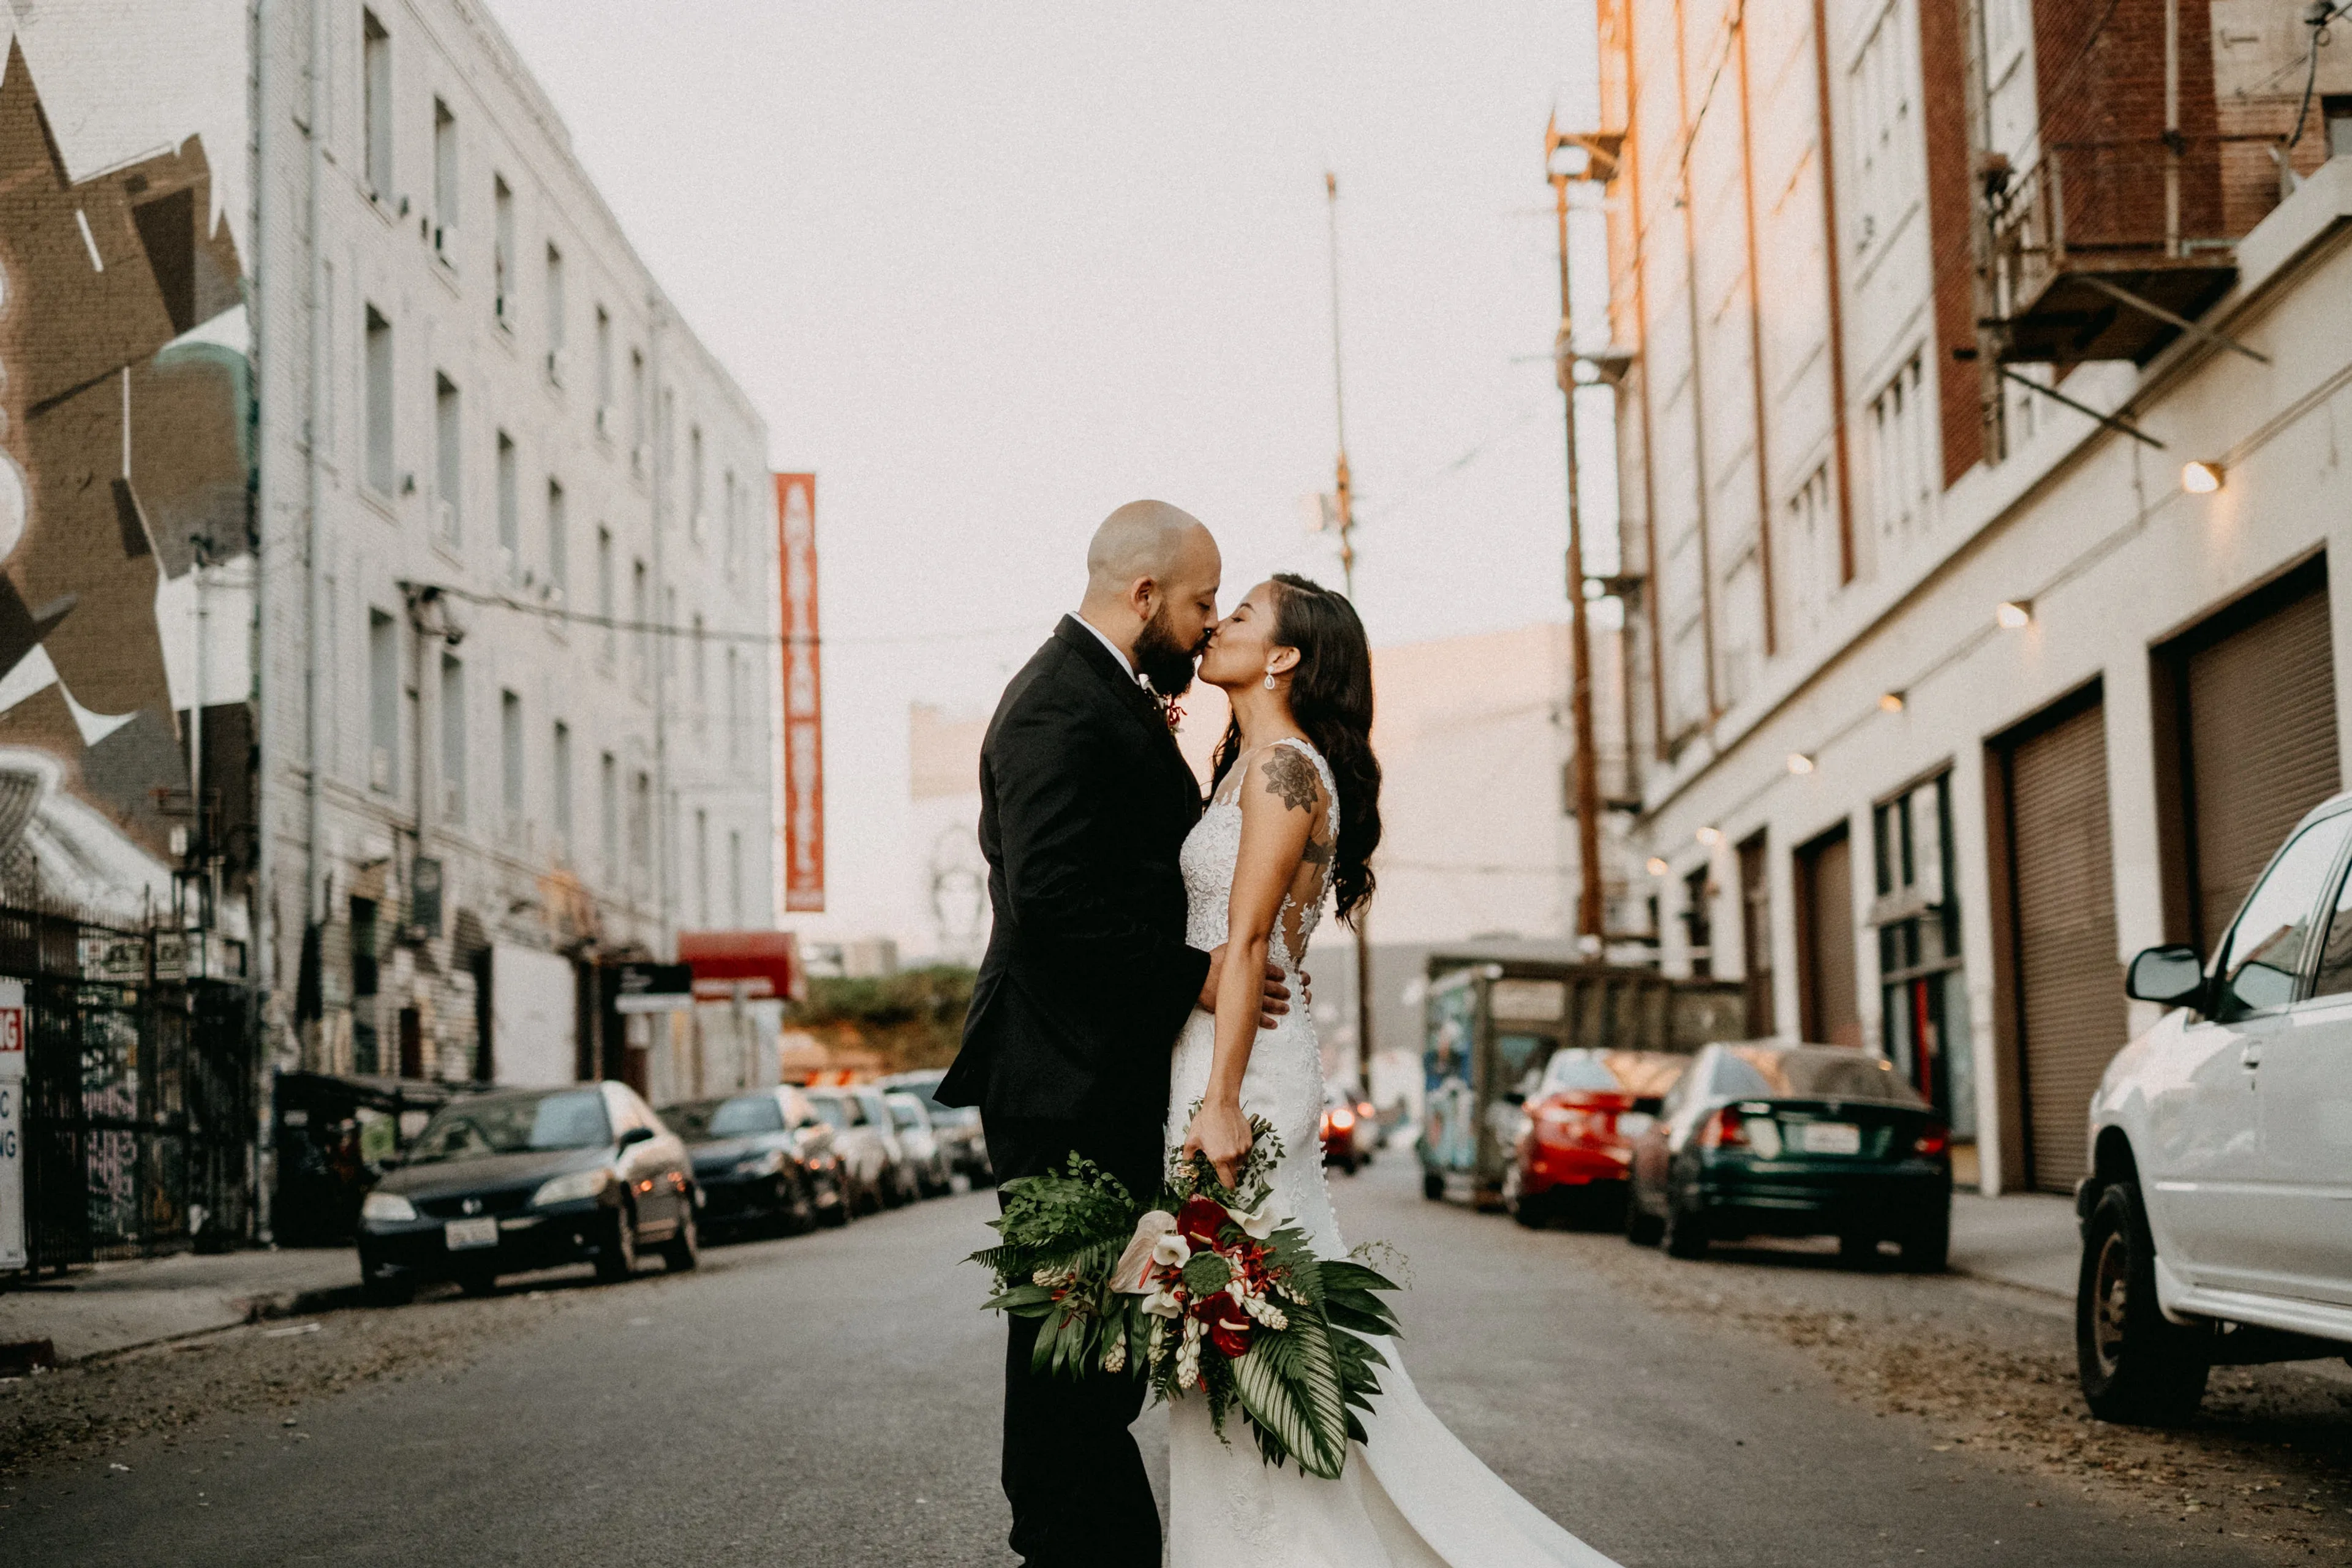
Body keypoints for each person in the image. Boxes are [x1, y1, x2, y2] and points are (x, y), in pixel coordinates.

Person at [1167, 572, 1621, 1567]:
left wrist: (1221, 1102)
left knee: (1253, 1336)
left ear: (1284, 656)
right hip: (1219, 1059)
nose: (1218, 624)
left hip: (1238, 1078)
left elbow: (1244, 947)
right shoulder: (1246, 766)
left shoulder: (1288, 770)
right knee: (1237, 1343)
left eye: (1240, 615)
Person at [936, 500, 1292, 1568]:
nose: (1204, 624)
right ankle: (1072, 1547)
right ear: (1142, 597)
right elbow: (1049, 901)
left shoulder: (1103, 695)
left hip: (1095, 1070)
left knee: (1093, 1354)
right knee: (1067, 1352)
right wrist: (1197, 978)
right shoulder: (1056, 706)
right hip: (1060, 1078)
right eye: (1195, 605)